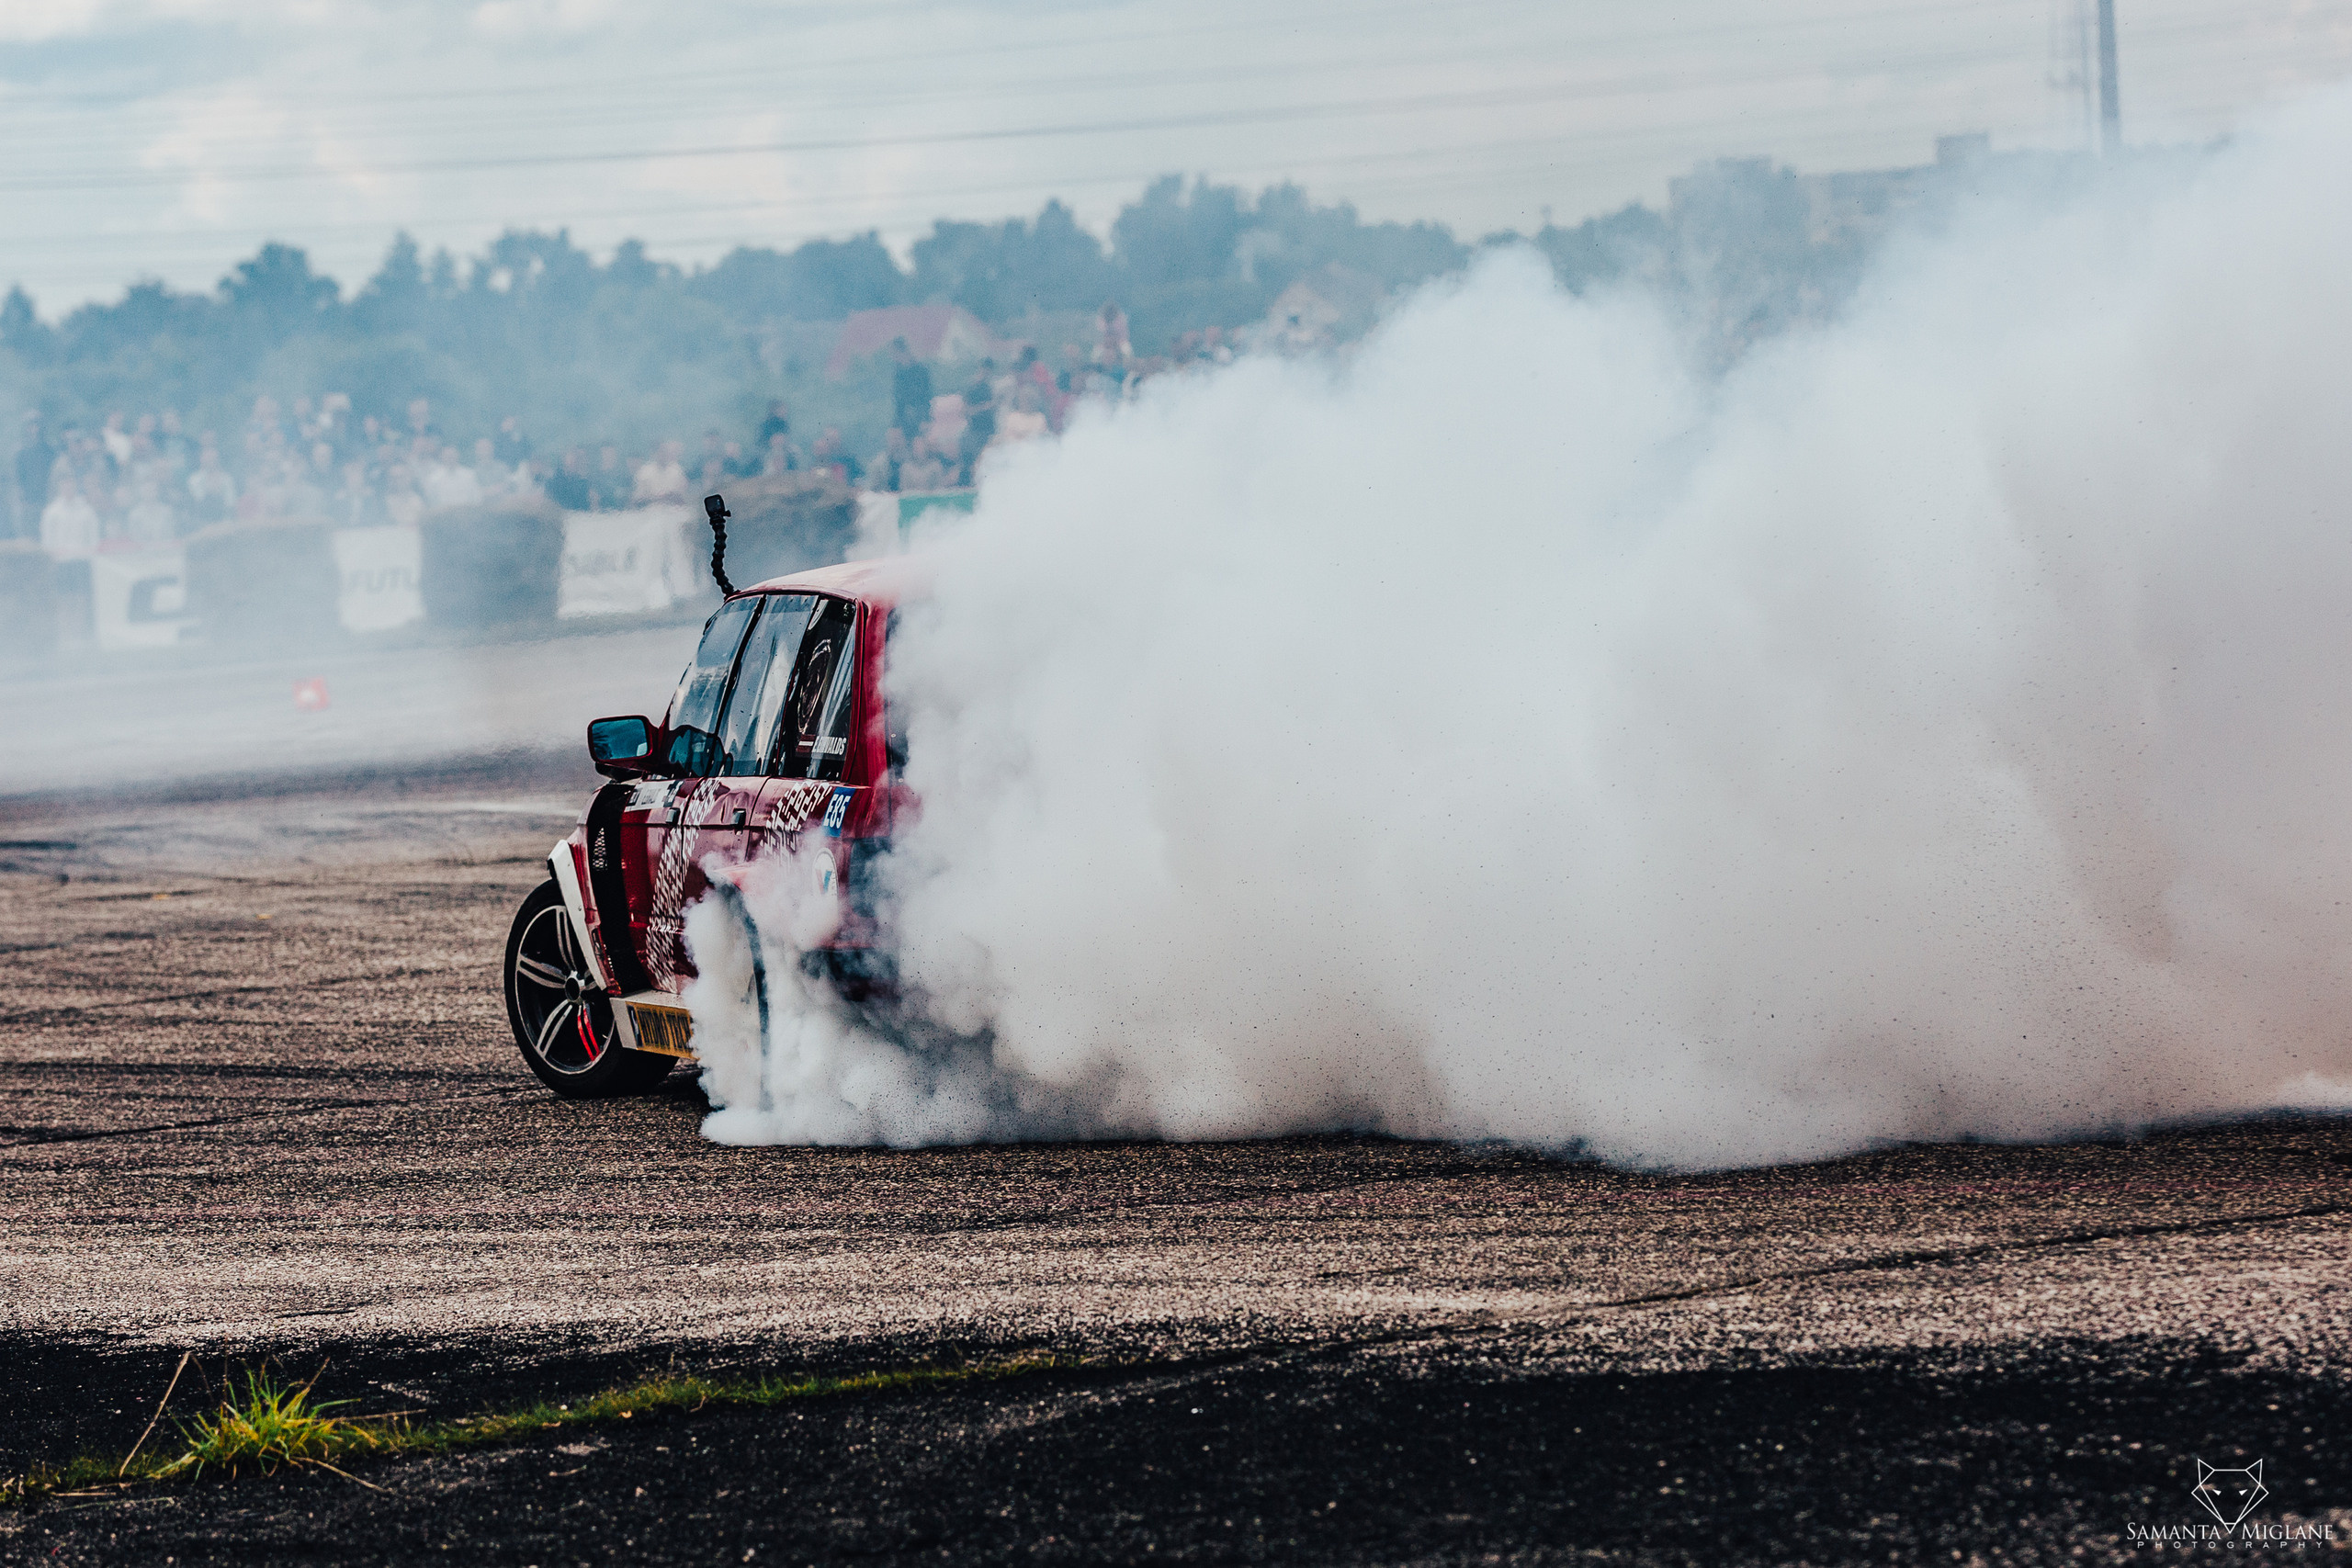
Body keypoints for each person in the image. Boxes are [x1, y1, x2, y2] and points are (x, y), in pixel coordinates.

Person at [14, 412, 55, 540]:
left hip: (46, 500)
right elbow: (18, 479)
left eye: (37, 425)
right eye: (31, 425)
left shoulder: (49, 451)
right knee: (29, 536)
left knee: (48, 534)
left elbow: (52, 477)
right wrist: (22, 499)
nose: (34, 429)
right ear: (26, 428)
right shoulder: (21, 452)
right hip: (28, 502)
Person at [186, 441, 237, 525]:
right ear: (201, 459)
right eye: (207, 458)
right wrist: (209, 488)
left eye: (213, 459)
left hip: (224, 522)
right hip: (201, 522)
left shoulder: (226, 479)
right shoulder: (194, 480)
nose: (210, 461)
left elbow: (231, 502)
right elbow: (197, 500)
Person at [888, 338, 933, 437]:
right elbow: (898, 399)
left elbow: (926, 395)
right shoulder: (898, 373)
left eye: (893, 353)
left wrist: (926, 418)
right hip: (904, 418)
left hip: (919, 414)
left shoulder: (921, 370)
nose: (892, 357)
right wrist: (896, 424)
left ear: (900, 351)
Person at [631, 440, 687, 504]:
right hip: (651, 510)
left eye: (665, 452)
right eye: (660, 452)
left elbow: (682, 496)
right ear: (654, 453)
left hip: (673, 509)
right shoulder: (644, 472)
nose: (663, 455)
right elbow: (639, 499)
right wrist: (655, 498)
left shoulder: (677, 470)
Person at [123, 479, 177, 545]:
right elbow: (133, 537)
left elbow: (171, 534)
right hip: (141, 551)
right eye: (147, 491)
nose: (150, 493)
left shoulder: (166, 511)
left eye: (152, 490)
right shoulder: (135, 514)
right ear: (141, 492)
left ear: (157, 492)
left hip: (164, 549)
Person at [547, 447, 594, 512]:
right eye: (570, 458)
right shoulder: (554, 481)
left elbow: (585, 506)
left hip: (578, 516)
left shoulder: (583, 483)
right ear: (564, 459)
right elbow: (552, 502)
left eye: (575, 459)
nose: (573, 462)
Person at [865, 427, 909, 493]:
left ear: (904, 440)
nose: (896, 442)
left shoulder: (910, 461)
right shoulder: (878, 464)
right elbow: (872, 488)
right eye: (893, 439)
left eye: (898, 438)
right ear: (887, 441)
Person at [591, 444, 629, 510]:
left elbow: (628, 499)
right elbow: (594, 499)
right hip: (602, 515)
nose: (608, 456)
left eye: (611, 453)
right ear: (601, 455)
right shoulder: (596, 476)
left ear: (615, 455)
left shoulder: (623, 475)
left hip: (621, 514)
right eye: (605, 454)